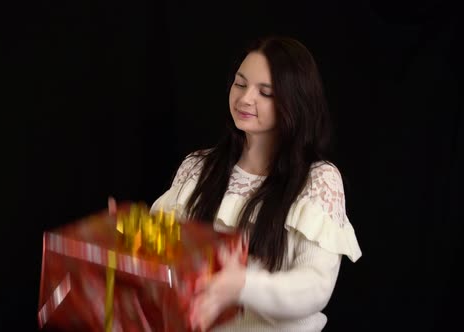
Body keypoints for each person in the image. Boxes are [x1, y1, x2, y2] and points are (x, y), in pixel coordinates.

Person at [109, 35, 361, 332]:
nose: (244, 99)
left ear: (295, 100)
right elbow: (165, 260)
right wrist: (129, 233)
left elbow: (315, 286)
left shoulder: (318, 179)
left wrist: (241, 285)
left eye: (265, 92)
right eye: (240, 84)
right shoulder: (199, 166)